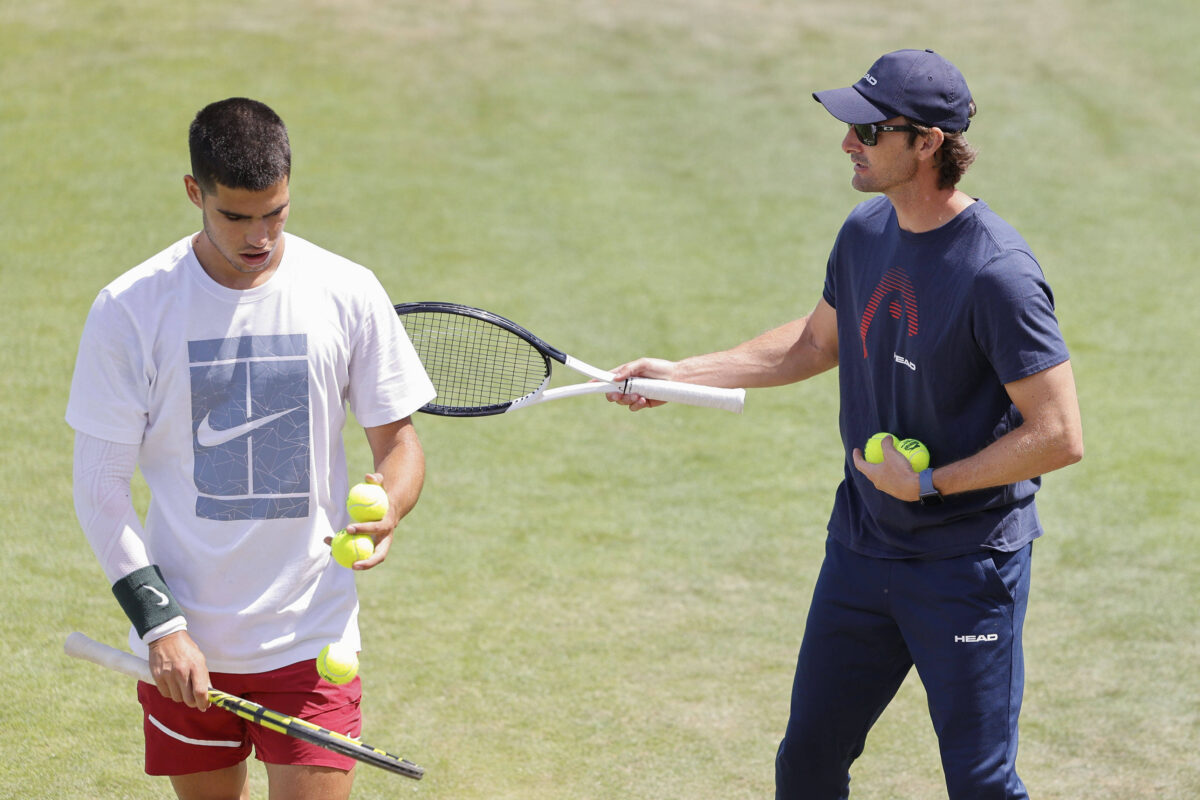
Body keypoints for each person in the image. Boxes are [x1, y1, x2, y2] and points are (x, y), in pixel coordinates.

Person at [608, 50, 1083, 799]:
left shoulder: (999, 273)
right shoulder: (867, 231)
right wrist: (685, 375)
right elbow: (815, 344)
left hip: (964, 569)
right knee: (808, 763)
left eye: (869, 128)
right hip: (862, 551)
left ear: (927, 143)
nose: (847, 142)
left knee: (981, 783)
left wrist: (927, 484)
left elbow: (1059, 434)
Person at [67, 98, 435, 800]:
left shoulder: (347, 292)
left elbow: (400, 444)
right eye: (236, 216)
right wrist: (161, 625)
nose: (259, 235)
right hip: (187, 644)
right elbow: (100, 486)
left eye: (276, 212)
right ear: (194, 192)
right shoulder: (130, 309)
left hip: (313, 642)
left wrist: (390, 505)